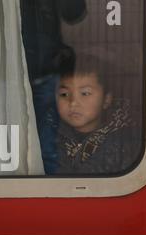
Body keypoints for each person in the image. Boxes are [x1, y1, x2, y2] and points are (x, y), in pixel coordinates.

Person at [20, 0, 87, 174]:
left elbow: (74, 13)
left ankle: (45, 195)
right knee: (10, 143)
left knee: (47, 147)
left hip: (47, 71)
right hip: (12, 74)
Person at [55, 53, 139, 175]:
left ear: (106, 100)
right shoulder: (48, 134)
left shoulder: (125, 140)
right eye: (64, 94)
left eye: (85, 93)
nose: (73, 103)